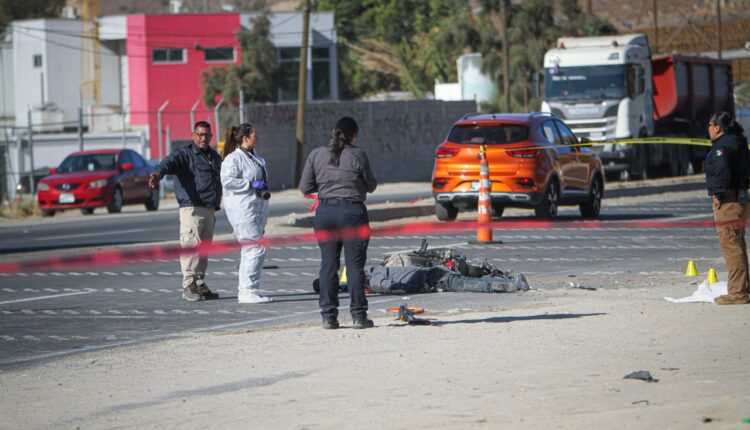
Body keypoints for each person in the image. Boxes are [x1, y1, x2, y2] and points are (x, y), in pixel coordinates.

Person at [299, 116, 377, 329]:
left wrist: (326, 187)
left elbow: (305, 187)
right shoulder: (358, 154)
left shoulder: (316, 154)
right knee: (354, 266)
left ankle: (328, 317)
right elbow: (371, 186)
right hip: (353, 212)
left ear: (333, 132)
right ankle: (359, 316)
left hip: (325, 212)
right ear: (353, 135)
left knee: (328, 265)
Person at [149, 121, 222, 302]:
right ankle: (188, 284)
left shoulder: (213, 156)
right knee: (190, 246)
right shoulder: (185, 154)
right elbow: (168, 162)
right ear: (193, 135)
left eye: (207, 135)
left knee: (203, 249)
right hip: (192, 209)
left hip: (209, 208)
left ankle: (198, 283)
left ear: (211, 137)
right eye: (200, 135)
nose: (203, 138)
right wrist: (158, 174)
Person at [220, 123, 273, 304]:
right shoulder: (233, 159)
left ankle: (247, 290)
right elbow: (227, 181)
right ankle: (247, 292)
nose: (257, 137)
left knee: (250, 248)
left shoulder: (254, 156)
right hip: (242, 208)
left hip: (256, 206)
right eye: (254, 134)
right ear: (246, 137)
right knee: (255, 248)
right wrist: (250, 184)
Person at [705, 111, 750, 305]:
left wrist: (718, 193)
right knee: (738, 244)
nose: (708, 130)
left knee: (731, 246)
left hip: (729, 201)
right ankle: (743, 287)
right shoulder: (739, 142)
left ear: (717, 127)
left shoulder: (721, 147)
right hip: (740, 197)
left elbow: (721, 171)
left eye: (709, 125)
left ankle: (738, 293)